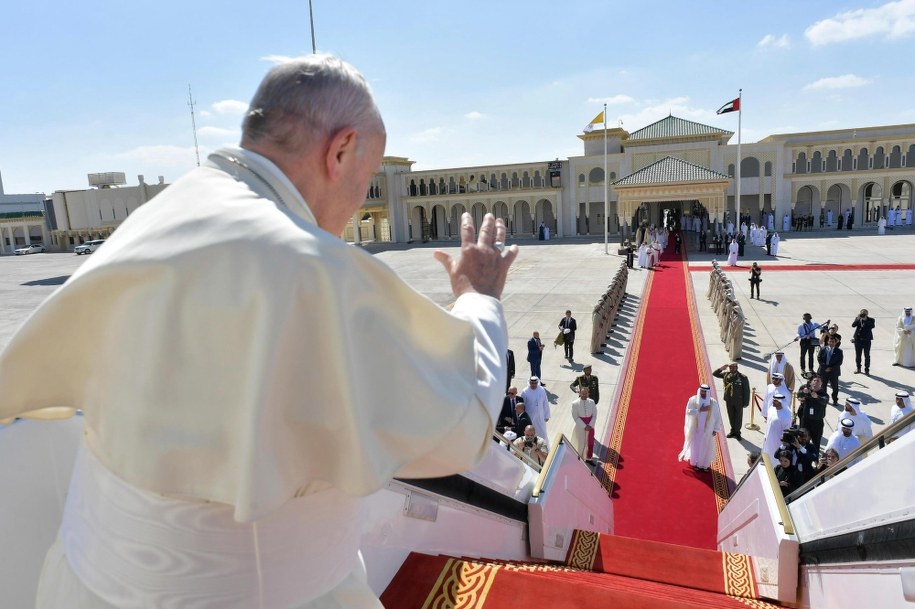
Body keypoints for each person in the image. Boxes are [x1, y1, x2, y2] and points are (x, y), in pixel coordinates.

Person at [0, 55, 520, 608]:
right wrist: (479, 299)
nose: (355, 208)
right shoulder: (309, 268)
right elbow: (462, 426)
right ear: (340, 151)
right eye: (365, 182)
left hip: (80, 584)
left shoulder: (160, 214)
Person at [678, 384, 719, 472]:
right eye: (702, 391)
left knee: (706, 447)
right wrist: (700, 409)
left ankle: (703, 464)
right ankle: (695, 463)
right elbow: (688, 412)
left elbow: (717, 416)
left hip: (707, 430)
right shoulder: (693, 400)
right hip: (696, 430)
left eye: (705, 392)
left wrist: (715, 429)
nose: (703, 393)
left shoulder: (713, 403)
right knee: (696, 446)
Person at [712, 362, 750, 439]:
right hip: (729, 400)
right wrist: (721, 368)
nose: (732, 369)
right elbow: (714, 374)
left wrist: (746, 402)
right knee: (731, 416)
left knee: (738, 418)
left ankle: (737, 433)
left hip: (739, 401)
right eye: (730, 368)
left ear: (737, 368)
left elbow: (746, 391)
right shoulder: (726, 375)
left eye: (734, 367)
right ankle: (732, 431)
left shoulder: (743, 377)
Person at [796, 375, 829, 448]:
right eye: (814, 381)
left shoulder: (823, 394)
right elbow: (798, 395)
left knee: (816, 442)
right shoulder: (806, 390)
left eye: (818, 381)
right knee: (802, 440)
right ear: (810, 382)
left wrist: (817, 397)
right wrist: (803, 392)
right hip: (806, 420)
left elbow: (825, 401)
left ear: (821, 383)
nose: (816, 383)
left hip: (817, 422)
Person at [520, 376, 551, 448]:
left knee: (542, 433)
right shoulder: (525, 391)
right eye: (532, 383)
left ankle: (544, 448)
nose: (533, 385)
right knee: (530, 433)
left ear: (537, 382)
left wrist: (547, 415)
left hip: (540, 417)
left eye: (535, 383)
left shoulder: (542, 390)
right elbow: (522, 405)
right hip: (529, 417)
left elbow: (545, 403)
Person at [570, 387, 597, 462]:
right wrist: (585, 426)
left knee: (590, 442)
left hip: (591, 426)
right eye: (582, 393)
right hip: (580, 426)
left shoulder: (592, 402)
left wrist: (590, 425)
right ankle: (579, 459)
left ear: (588, 394)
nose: (584, 395)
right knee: (580, 443)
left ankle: (588, 458)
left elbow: (594, 415)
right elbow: (575, 417)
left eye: (585, 393)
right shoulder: (575, 403)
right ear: (579, 393)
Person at [762, 393, 792, 459]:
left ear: (781, 402)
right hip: (768, 438)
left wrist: (783, 444)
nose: (773, 402)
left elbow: (786, 431)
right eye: (773, 400)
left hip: (777, 442)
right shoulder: (771, 410)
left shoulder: (786, 415)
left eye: (775, 401)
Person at [817, 335, 844, 405]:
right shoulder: (823, 349)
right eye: (829, 341)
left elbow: (839, 362)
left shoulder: (839, 351)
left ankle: (835, 400)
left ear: (835, 343)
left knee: (835, 387)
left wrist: (831, 368)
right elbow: (819, 358)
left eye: (832, 342)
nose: (831, 343)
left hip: (834, 372)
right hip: (824, 371)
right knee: (823, 386)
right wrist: (825, 367)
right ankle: (824, 399)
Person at [850, 309, 875, 375]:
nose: (863, 315)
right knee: (858, 355)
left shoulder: (871, 320)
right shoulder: (858, 318)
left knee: (867, 356)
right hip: (858, 340)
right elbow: (853, 325)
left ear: (867, 314)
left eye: (864, 313)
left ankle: (867, 370)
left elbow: (872, 326)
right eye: (862, 313)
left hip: (866, 340)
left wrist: (865, 320)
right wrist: (858, 319)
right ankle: (858, 368)